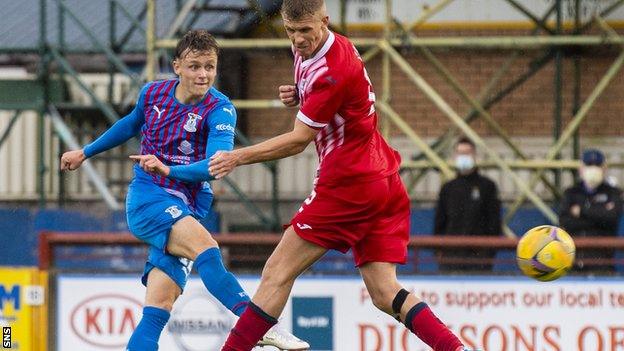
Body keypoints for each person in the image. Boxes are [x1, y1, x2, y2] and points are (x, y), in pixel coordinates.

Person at [209, 2, 470, 350]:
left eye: (306, 31)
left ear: (325, 21)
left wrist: (236, 157)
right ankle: (455, 348)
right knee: (384, 291)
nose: (298, 39)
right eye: (291, 31)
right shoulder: (316, 48)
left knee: (276, 272)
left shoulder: (335, 69)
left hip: (350, 183)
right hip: (381, 175)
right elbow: (334, 99)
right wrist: (300, 94)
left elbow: (299, 140)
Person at [60, 30, 309, 351]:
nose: (203, 74)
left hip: (187, 206)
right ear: (177, 66)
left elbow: (214, 166)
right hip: (149, 200)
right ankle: (257, 325)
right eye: (194, 66)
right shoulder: (152, 94)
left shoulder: (220, 110)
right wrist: (85, 152)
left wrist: (169, 169)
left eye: (209, 66)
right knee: (207, 249)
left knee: (156, 312)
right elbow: (130, 124)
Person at [434, 137, 502, 272]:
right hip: (451, 259)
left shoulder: (487, 187)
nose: (463, 156)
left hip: (479, 259)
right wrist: (439, 251)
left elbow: (494, 222)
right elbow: (439, 223)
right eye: (460, 153)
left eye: (467, 153)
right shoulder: (448, 188)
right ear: (454, 156)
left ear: (474, 156)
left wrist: (488, 252)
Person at [559, 149, 623, 271]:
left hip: (602, 264)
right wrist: (598, 215)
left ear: (604, 168)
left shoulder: (613, 193)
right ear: (581, 168)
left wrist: (581, 211)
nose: (593, 169)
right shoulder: (571, 193)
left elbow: (611, 218)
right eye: (589, 165)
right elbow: (566, 223)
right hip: (573, 264)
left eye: (597, 165)